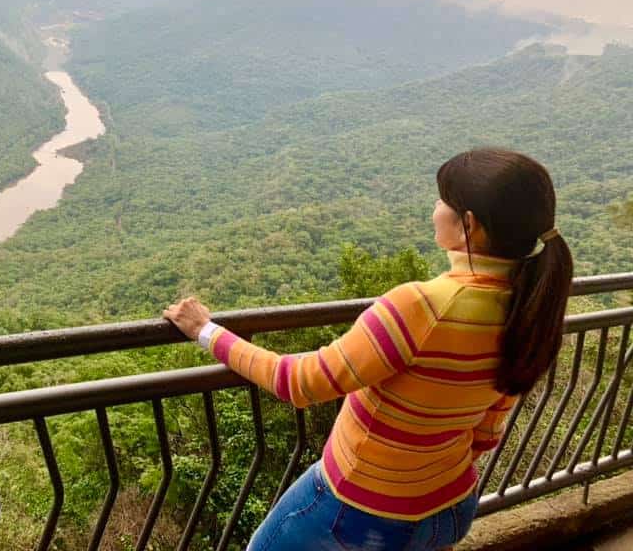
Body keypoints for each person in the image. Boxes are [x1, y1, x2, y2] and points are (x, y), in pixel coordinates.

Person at [163, 148, 573, 551]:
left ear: (469, 224)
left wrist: (205, 331)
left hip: (366, 509)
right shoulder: (530, 308)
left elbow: (301, 382)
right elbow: (486, 432)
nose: (435, 208)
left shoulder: (423, 306)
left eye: (443, 200)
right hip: (450, 507)